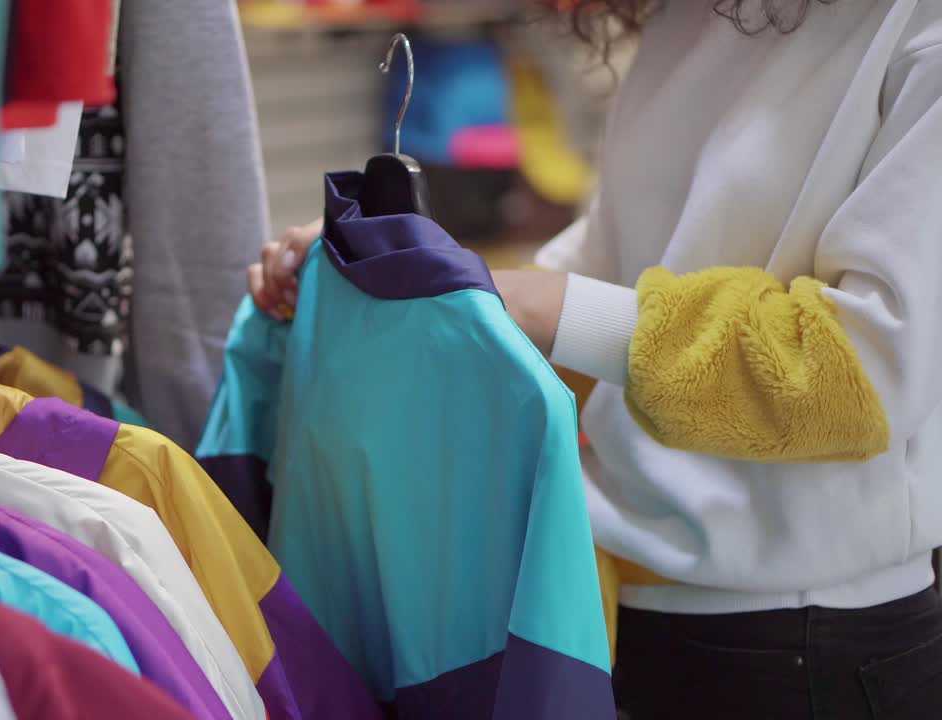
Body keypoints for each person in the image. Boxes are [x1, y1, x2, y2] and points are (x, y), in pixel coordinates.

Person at [248, 1, 942, 717]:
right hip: (607, 602)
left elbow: (863, 367)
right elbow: (617, 259)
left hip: (805, 642)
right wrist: (404, 278)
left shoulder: (919, 31)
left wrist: (529, 303)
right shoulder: (694, 16)